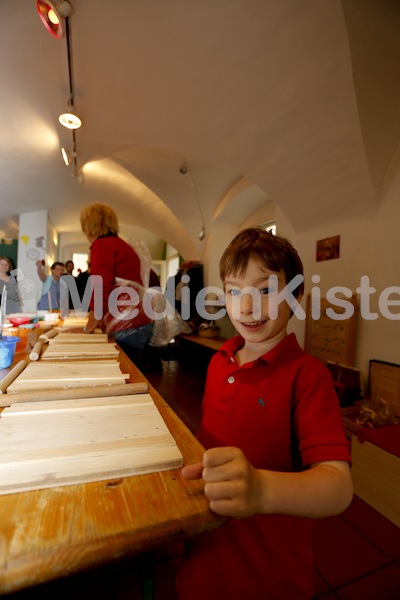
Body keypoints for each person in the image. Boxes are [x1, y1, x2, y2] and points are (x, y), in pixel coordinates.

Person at [176, 227, 353, 600]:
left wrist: (260, 490)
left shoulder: (307, 376)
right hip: (202, 559)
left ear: (296, 296)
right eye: (234, 291)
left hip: (266, 574)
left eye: (266, 290)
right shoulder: (219, 362)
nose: (246, 307)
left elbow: (338, 487)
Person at [79, 202, 153, 367]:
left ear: (88, 225)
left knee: (124, 374)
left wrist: (89, 328)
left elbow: (101, 289)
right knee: (132, 370)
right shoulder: (121, 245)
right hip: (139, 320)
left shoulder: (102, 245)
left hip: (127, 324)